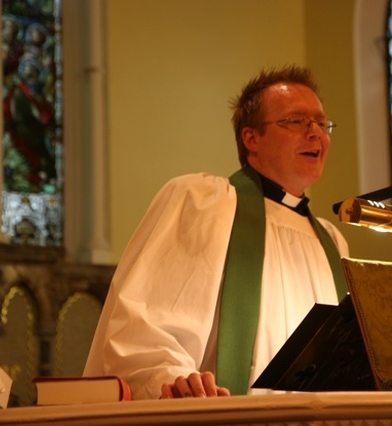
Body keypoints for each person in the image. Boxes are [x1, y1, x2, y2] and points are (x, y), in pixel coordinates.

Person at [83, 65, 350, 400]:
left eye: (321, 124)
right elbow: (143, 328)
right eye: (296, 121)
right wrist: (175, 380)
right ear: (251, 138)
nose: (315, 134)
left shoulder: (332, 241)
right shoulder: (202, 204)